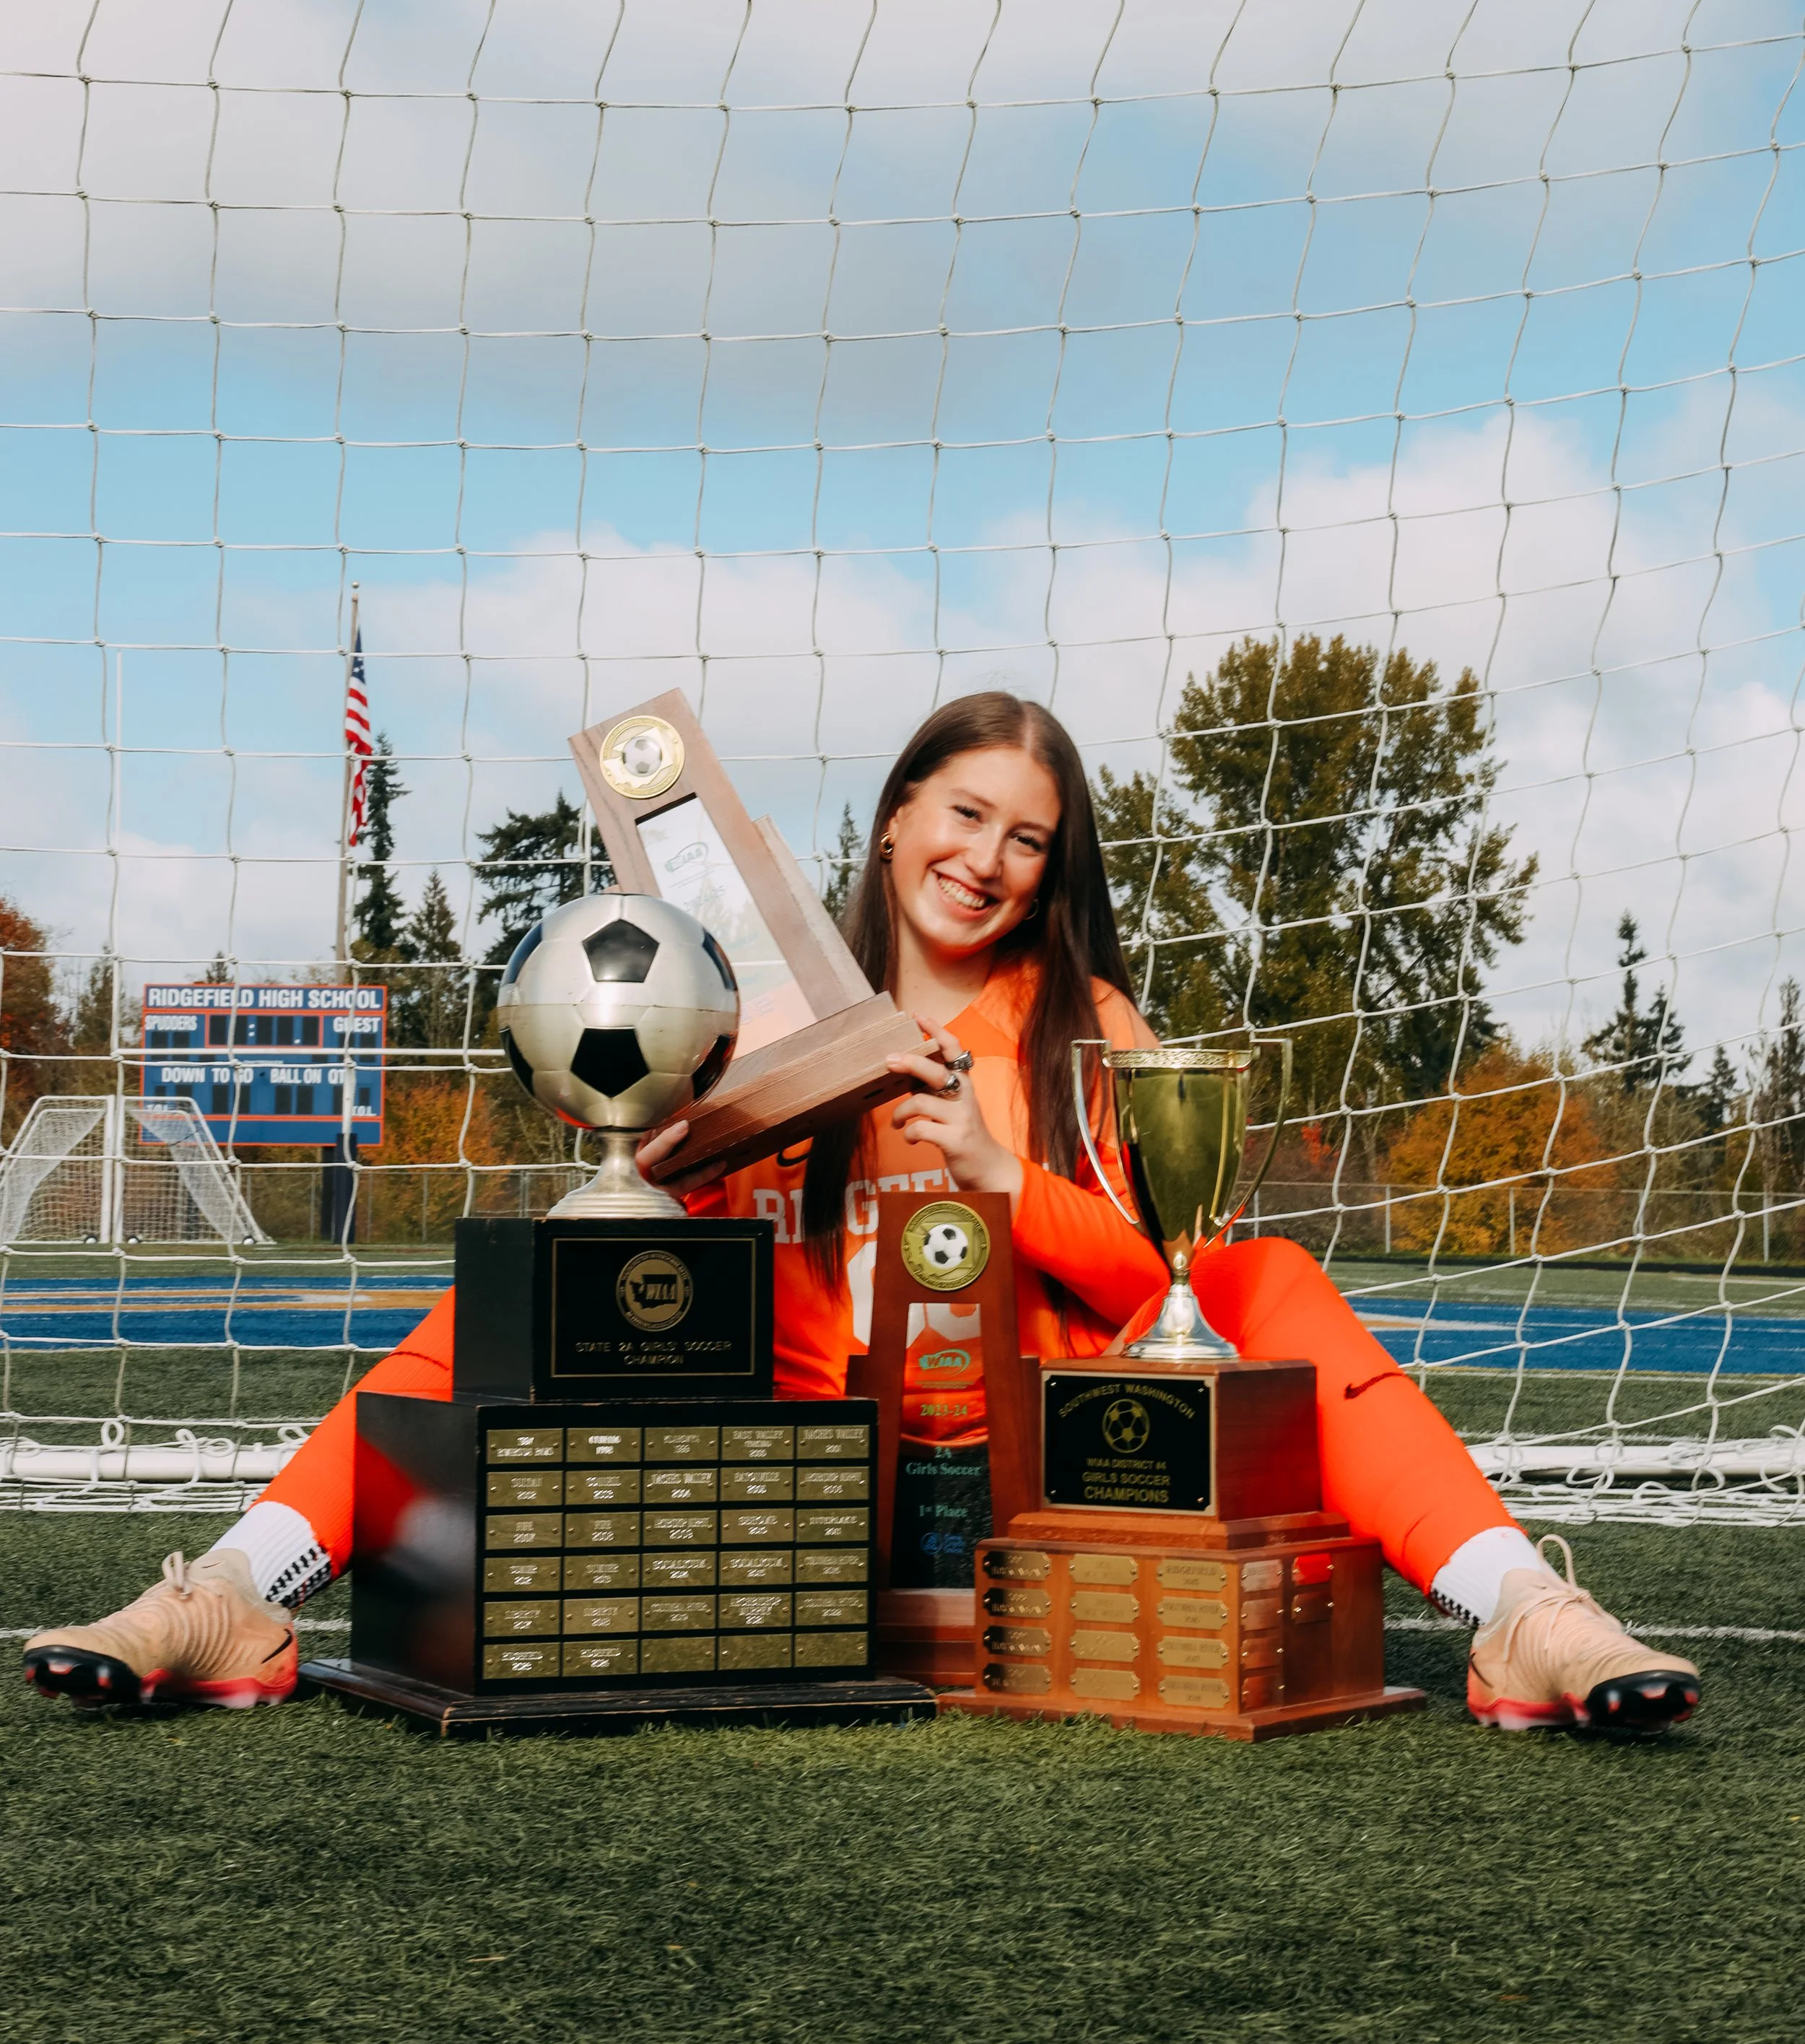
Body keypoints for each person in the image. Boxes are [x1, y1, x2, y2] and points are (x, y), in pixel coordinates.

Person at [25, 694, 1700, 1734]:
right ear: (896, 812)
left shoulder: (1091, 1026)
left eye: (1028, 841)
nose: (988, 859)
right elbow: (680, 1245)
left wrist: (999, 1172)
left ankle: (1520, 1619)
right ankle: (232, 1592)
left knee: (1261, 1274)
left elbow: (1159, 1284)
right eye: (964, 814)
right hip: (804, 1463)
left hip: (1046, 1456)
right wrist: (656, 1145)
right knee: (528, 1284)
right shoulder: (751, 1003)